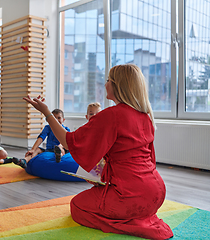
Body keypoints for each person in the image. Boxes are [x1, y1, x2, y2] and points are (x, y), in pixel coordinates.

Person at [23, 64, 173, 240]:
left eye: (109, 80)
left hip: (131, 195)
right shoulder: (145, 116)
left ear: (118, 86)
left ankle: (132, 225)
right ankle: (137, 217)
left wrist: (46, 112)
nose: (105, 84)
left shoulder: (112, 115)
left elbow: (68, 141)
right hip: (157, 192)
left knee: (77, 206)